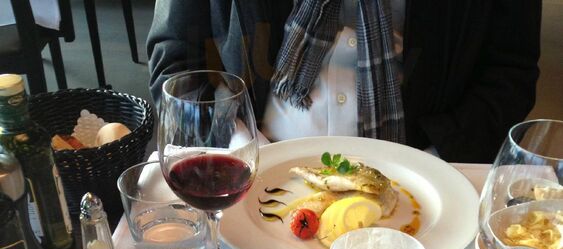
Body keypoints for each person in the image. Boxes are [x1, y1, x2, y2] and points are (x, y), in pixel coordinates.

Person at [147, 0, 542, 163]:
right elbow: (174, 55)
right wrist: (237, 146)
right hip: (251, 167)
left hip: (421, 169)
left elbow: (510, 70)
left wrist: (433, 165)